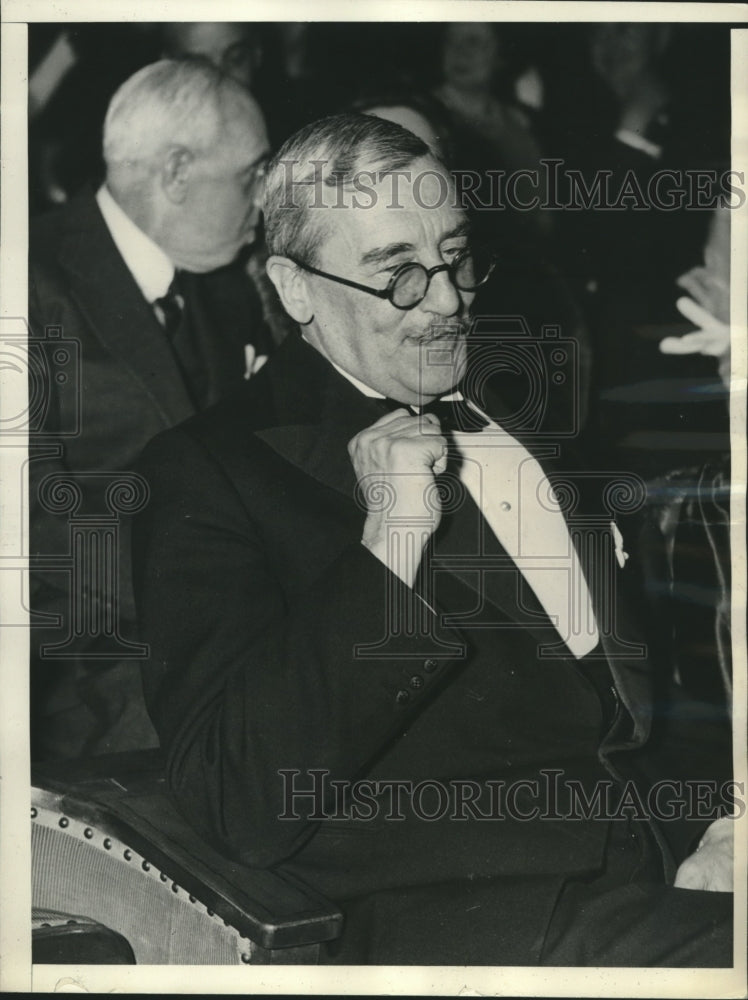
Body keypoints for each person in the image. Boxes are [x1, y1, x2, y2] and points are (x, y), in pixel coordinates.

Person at [133, 114, 733, 965]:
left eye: (455, 258)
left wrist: (718, 821)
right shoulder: (212, 473)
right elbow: (238, 799)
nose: (449, 300)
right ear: (296, 288)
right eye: (401, 275)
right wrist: (390, 545)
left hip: (650, 878)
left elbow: (622, 704)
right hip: (465, 925)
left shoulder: (518, 413)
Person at [29, 58, 273, 759]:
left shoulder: (216, 283)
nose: (263, 201)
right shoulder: (27, 281)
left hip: (221, 658)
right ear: (175, 173)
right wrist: (215, 588)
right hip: (95, 688)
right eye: (251, 176)